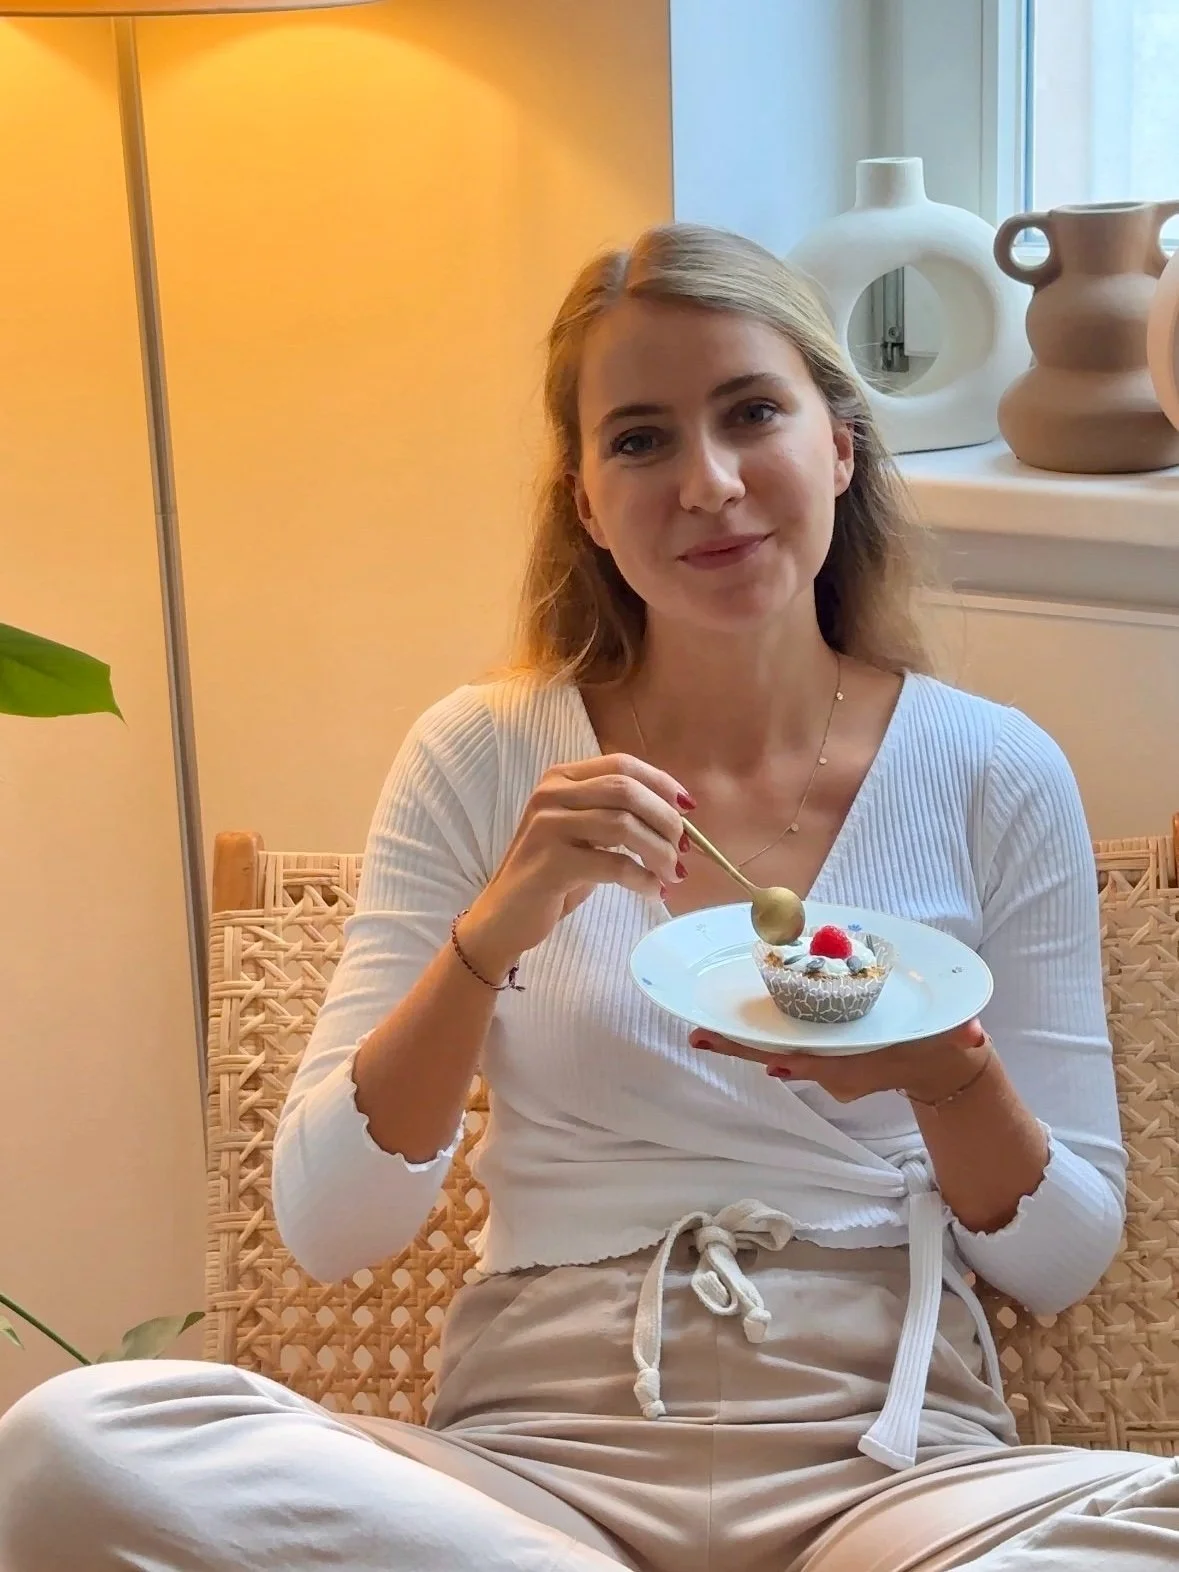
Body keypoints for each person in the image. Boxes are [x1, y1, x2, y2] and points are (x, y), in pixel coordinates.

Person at [0, 223, 1172, 1572]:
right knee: (70, 1445)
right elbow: (330, 1229)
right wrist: (493, 933)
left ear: (841, 448)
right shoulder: (480, 754)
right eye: (640, 439)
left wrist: (946, 1075)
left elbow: (1058, 1261)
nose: (709, 483)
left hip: (895, 1478)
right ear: (586, 501)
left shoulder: (992, 768)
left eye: (752, 414)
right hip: (529, 1483)